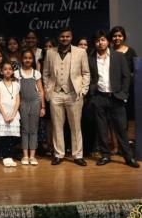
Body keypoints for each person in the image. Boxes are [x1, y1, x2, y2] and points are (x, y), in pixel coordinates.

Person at [88, 32, 139, 168]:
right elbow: (89, 78)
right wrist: (92, 96)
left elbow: (126, 76)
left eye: (103, 40)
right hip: (99, 98)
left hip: (116, 98)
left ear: (108, 41)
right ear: (94, 43)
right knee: (102, 129)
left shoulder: (118, 56)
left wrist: (123, 94)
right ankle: (105, 155)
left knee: (121, 129)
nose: (101, 43)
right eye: (98, 40)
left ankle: (128, 157)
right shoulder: (90, 58)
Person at [42, 28, 90, 166]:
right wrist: (48, 91)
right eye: (62, 36)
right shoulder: (50, 52)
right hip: (55, 93)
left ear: (71, 37)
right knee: (57, 126)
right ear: (58, 37)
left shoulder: (80, 52)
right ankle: (59, 154)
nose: (64, 38)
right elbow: (45, 73)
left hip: (74, 93)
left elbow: (86, 72)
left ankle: (78, 155)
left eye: (67, 36)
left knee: (75, 126)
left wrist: (83, 90)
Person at [15, 50, 45, 166]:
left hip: (35, 102)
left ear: (32, 60)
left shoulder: (36, 73)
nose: (27, 60)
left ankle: (32, 156)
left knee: (33, 130)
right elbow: (15, 90)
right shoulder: (17, 73)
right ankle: (25, 155)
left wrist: (43, 106)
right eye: (25, 58)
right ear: (22, 59)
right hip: (22, 102)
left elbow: (41, 90)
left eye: (30, 58)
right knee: (24, 129)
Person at [0, 62, 21, 167]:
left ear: (13, 71)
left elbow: (18, 100)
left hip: (13, 113)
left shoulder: (16, 84)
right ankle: (5, 157)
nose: (8, 71)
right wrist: (5, 115)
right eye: (5, 69)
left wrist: (13, 114)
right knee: (4, 136)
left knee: (12, 137)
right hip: (2, 113)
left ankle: (10, 155)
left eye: (10, 69)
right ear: (1, 72)